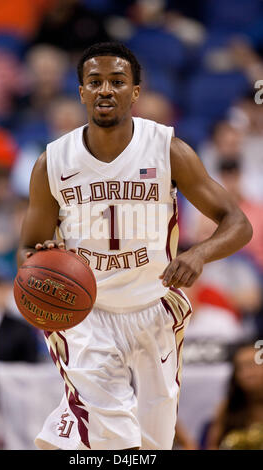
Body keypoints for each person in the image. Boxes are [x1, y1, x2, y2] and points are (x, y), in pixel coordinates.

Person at [17, 42, 252, 450]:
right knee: (115, 438)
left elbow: (239, 223)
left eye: (117, 81)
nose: (105, 89)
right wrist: (41, 267)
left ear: (135, 92)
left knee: (152, 443)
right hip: (84, 315)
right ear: (81, 92)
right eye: (95, 82)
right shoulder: (51, 163)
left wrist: (198, 254)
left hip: (154, 308)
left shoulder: (168, 150)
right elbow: (26, 250)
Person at [206, 341, 263, 450]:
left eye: (253, 365)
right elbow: (212, 446)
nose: (248, 374)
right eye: (241, 368)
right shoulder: (227, 408)